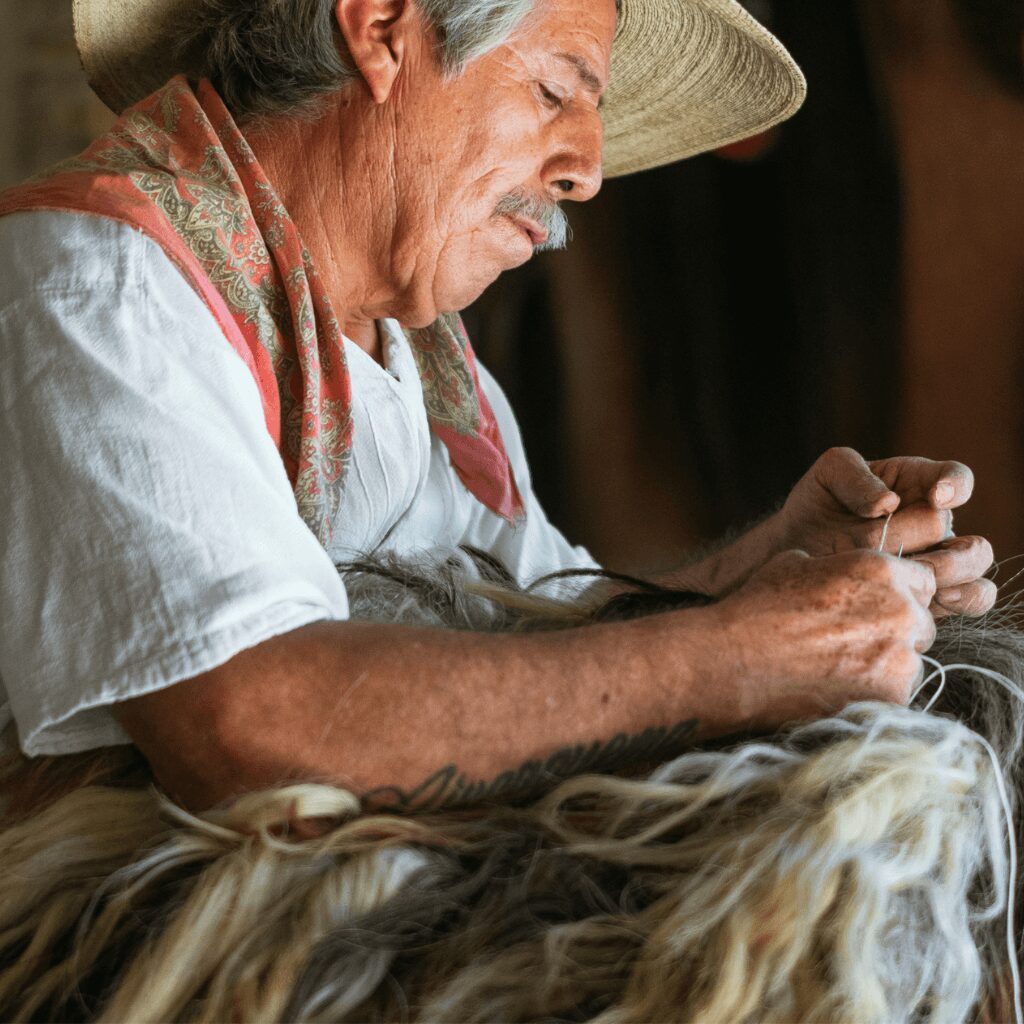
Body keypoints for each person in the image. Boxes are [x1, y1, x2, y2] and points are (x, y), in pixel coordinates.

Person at [0, 0, 996, 812]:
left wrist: (772, 571)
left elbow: (545, 633)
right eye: (555, 89)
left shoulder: (425, 359)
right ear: (381, 30)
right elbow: (246, 725)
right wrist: (739, 656)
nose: (588, 169)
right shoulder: (101, 278)